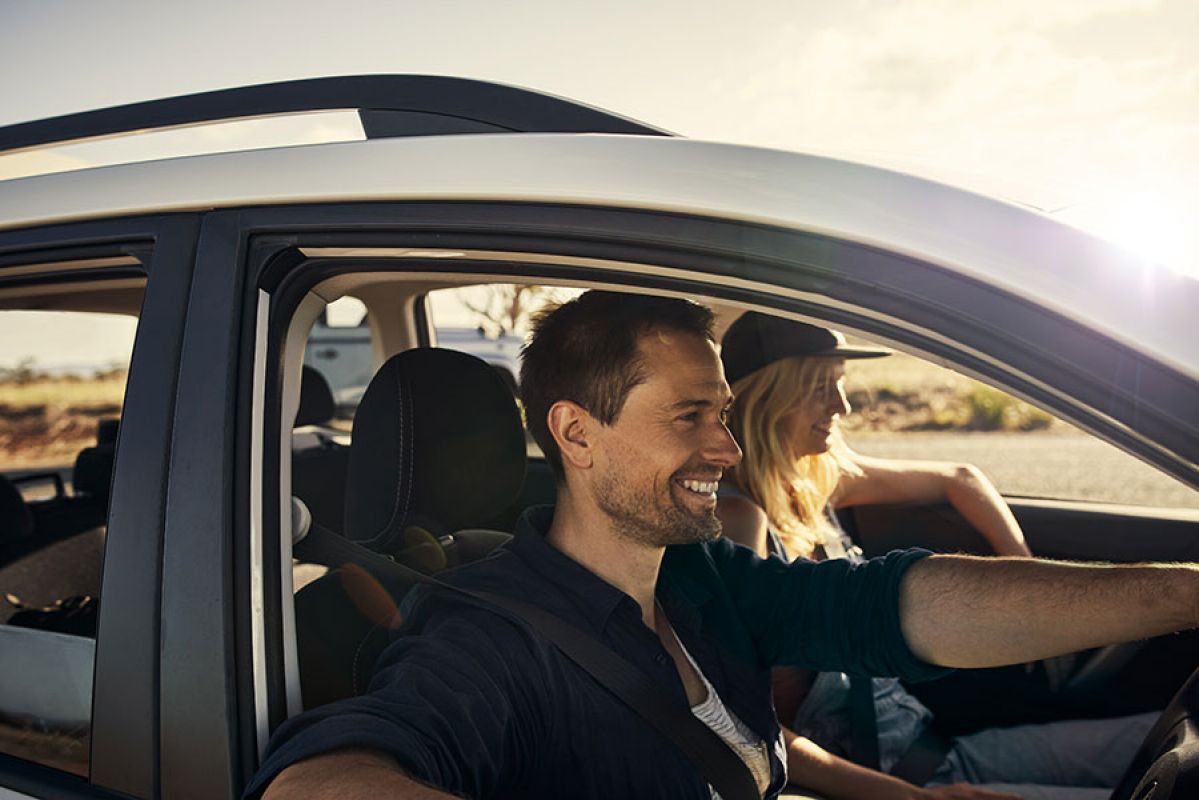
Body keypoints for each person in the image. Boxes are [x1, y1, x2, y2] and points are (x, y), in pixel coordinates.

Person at [252, 291, 1199, 800]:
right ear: (577, 436)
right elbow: (319, 782)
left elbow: (887, 605)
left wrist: (1181, 593)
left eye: (728, 413)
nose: (726, 447)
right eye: (693, 417)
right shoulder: (485, 634)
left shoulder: (702, 578)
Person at [716, 311, 1157, 800]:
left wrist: (1029, 586)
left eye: (839, 385)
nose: (841, 405)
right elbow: (750, 734)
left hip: (937, 752)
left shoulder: (817, 479)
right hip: (898, 783)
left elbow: (960, 478)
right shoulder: (739, 527)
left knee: (1162, 736)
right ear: (766, 398)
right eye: (820, 387)